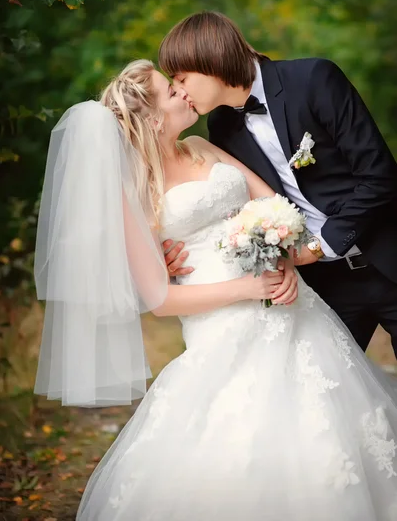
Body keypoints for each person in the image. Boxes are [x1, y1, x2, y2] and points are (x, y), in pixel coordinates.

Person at [35, 60, 397, 521]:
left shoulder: (203, 144)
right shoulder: (135, 194)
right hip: (222, 321)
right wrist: (247, 288)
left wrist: (281, 257)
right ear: (149, 118)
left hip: (289, 301)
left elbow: (273, 204)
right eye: (171, 91)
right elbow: (160, 299)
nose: (184, 94)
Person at [158, 10, 397, 357]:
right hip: (322, 289)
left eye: (181, 78)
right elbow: (233, 210)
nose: (180, 92)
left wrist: (317, 248)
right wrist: (167, 257)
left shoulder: (314, 78)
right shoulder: (222, 128)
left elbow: (380, 175)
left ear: (211, 59)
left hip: (387, 257)